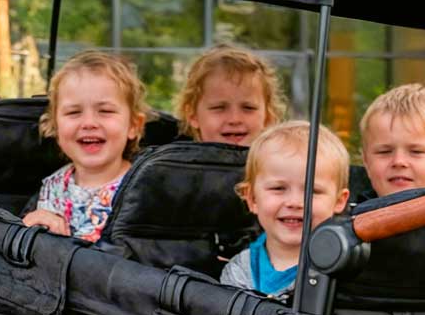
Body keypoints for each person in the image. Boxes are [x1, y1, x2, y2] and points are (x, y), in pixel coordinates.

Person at [21, 50, 148, 243]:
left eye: (105, 111)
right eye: (73, 112)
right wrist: (31, 224)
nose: (89, 123)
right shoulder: (52, 187)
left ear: (133, 126)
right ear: (55, 126)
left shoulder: (144, 188)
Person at [221, 121, 351, 296]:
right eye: (278, 188)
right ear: (252, 198)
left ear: (339, 201)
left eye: (312, 191)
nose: (295, 202)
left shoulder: (345, 269)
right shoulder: (238, 272)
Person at [360, 82, 425, 195]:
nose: (399, 161)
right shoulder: (350, 212)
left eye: (416, 152)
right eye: (384, 152)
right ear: (366, 162)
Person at [178, 45, 284, 145]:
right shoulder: (172, 162)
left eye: (248, 108)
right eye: (219, 108)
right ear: (193, 115)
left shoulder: (284, 162)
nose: (234, 119)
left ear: (268, 117)